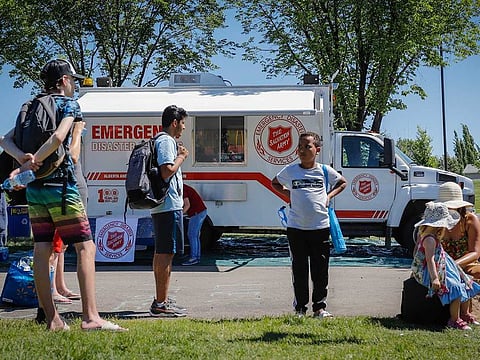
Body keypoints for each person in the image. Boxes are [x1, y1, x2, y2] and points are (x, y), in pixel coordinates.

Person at [0, 59, 126, 331]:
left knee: (42, 249)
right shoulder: (68, 105)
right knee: (85, 247)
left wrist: (24, 160)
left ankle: (53, 319)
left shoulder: (31, 106)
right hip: (62, 187)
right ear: (64, 81)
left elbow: (4, 140)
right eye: (74, 80)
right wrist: (35, 160)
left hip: (35, 188)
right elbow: (59, 138)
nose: (76, 85)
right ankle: (91, 317)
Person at [271, 131, 347, 318]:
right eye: (300, 147)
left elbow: (342, 182)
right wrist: (289, 196)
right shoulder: (291, 170)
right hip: (296, 228)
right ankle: (300, 308)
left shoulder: (324, 171)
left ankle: (319, 307)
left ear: (317, 149)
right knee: (300, 269)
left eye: (308, 146)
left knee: (320, 270)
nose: (303, 150)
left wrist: (328, 197)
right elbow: (275, 183)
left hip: (320, 227)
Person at [411, 201, 480, 330]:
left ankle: (465, 314)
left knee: (466, 281)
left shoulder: (430, 236)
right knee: (455, 286)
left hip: (441, 266)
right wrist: (435, 278)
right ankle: (454, 319)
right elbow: (430, 260)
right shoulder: (430, 240)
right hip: (430, 271)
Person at [149, 105, 189, 317]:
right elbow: (167, 171)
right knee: (166, 253)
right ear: (174, 123)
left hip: (163, 205)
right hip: (167, 205)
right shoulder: (166, 141)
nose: (183, 128)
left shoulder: (161, 140)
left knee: (162, 252)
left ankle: (161, 297)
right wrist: (182, 156)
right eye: (182, 123)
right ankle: (160, 303)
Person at [436, 181, 480, 324]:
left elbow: (475, 252)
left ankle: (465, 313)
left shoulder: (469, 220)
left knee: (471, 274)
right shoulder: (436, 221)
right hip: (442, 264)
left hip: (466, 262)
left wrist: (454, 264)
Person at [182, 184, 207, 265]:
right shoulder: (184, 187)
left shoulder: (182, 189)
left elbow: (187, 205)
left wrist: (179, 215)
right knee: (195, 235)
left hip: (197, 213)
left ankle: (193, 258)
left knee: (192, 235)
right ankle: (196, 256)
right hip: (201, 212)